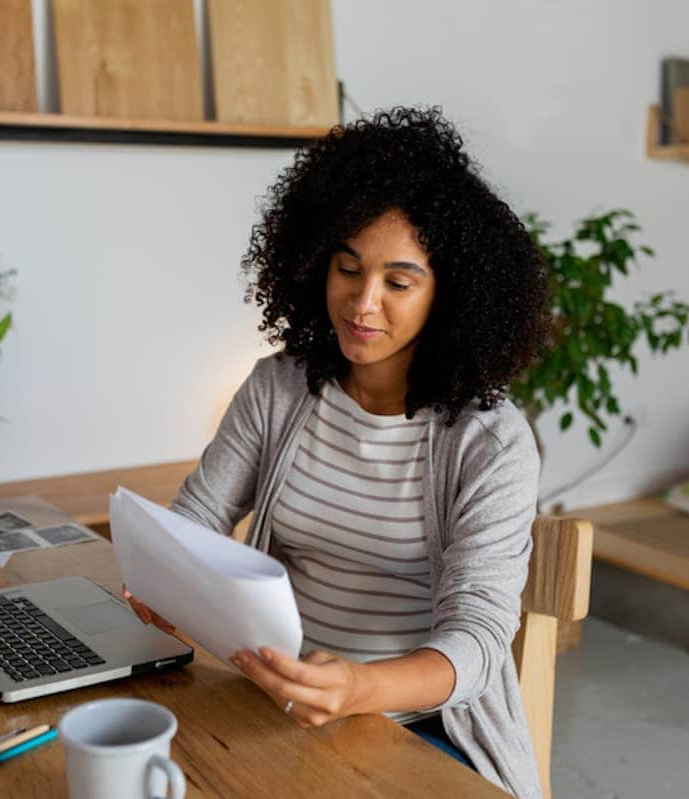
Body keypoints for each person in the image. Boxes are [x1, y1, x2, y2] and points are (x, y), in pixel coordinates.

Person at [124, 106, 549, 799]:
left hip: (426, 731)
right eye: (347, 268)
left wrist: (358, 687)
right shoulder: (279, 387)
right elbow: (196, 517)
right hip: (279, 708)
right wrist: (163, 575)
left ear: (449, 295)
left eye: (399, 282)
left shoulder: (488, 440)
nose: (363, 303)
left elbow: (476, 640)